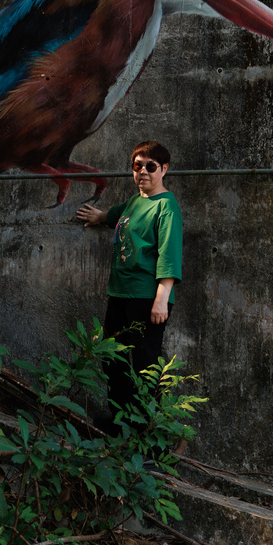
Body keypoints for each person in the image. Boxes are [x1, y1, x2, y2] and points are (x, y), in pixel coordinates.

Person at [76, 140, 183, 430]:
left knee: (146, 366)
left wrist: (162, 299)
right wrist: (100, 217)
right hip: (120, 294)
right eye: (138, 166)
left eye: (151, 166)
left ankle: (150, 435)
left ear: (164, 169)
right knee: (113, 358)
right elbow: (120, 214)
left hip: (147, 298)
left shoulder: (166, 206)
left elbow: (170, 255)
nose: (143, 172)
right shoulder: (137, 201)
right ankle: (122, 421)